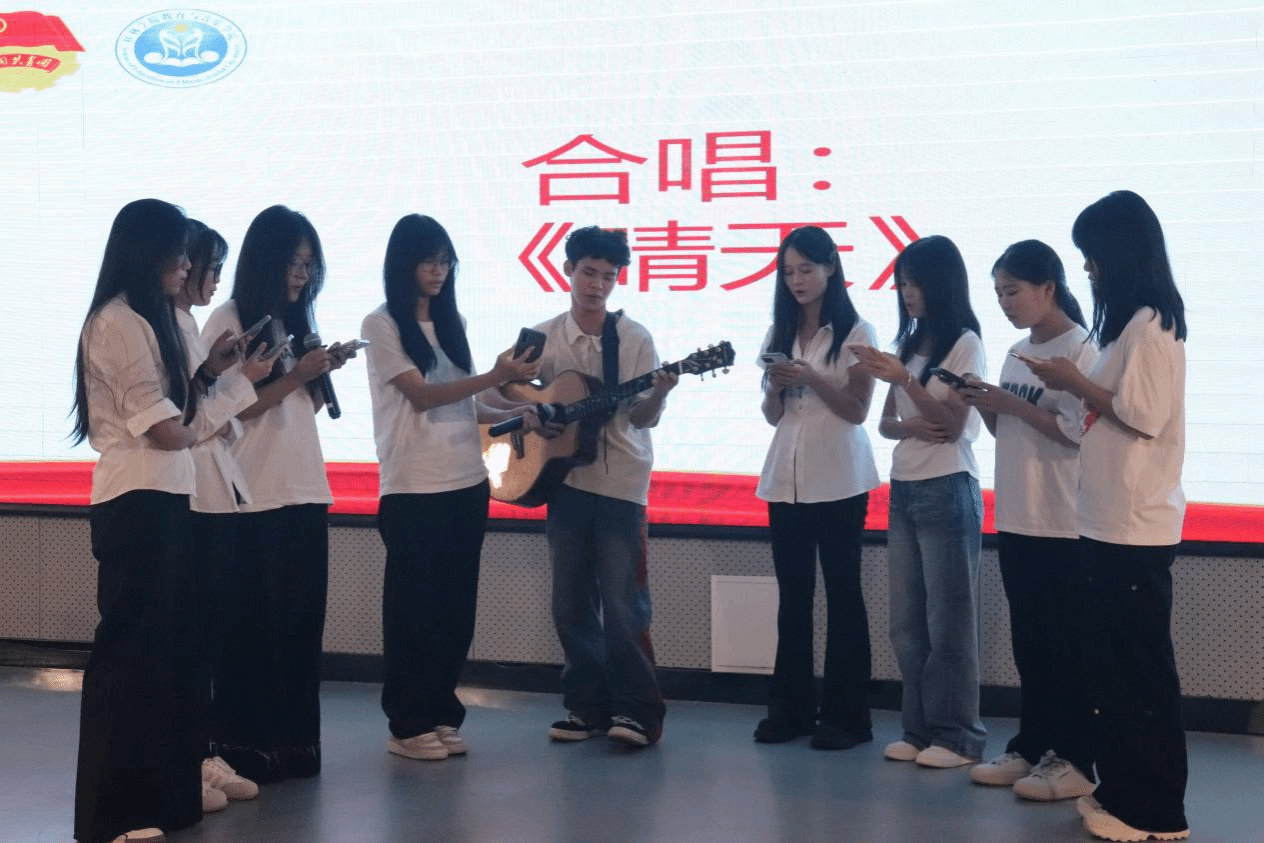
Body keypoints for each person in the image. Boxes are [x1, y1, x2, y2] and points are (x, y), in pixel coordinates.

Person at [1021, 191, 1189, 841]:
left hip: (1133, 526)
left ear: (1120, 252)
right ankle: (1122, 793)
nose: (1087, 269)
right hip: (1106, 521)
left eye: (1091, 255)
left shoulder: (1150, 324)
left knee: (1140, 676)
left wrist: (1074, 382)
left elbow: (1141, 417)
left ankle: (1156, 814)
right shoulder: (1128, 325)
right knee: (1114, 674)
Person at [71, 199, 239, 843]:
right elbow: (166, 428)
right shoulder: (116, 321)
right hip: (135, 497)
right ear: (149, 254)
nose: (188, 267)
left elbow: (180, 418)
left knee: (165, 658)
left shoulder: (152, 319)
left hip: (167, 495)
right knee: (131, 657)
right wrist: (195, 422)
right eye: (180, 254)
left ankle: (164, 799)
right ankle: (115, 814)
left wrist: (206, 385)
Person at [362, 214, 541, 762]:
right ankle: (406, 724)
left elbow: (465, 404)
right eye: (428, 261)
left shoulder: (452, 320)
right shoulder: (381, 324)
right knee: (412, 612)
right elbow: (422, 396)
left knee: (454, 610)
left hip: (467, 481)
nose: (438, 272)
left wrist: (519, 410)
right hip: (413, 486)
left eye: (445, 262)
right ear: (404, 264)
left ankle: (440, 712)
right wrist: (496, 376)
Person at [202, 205, 355, 784]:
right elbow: (224, 412)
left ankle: (295, 747)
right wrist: (295, 376)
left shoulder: (292, 322)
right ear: (264, 261)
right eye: (292, 262)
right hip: (253, 495)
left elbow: (297, 408)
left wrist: (319, 370)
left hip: (303, 488)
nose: (300, 275)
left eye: (308, 264)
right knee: (253, 631)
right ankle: (247, 749)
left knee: (299, 626)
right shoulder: (230, 321)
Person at [958, 240, 1099, 800]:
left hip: (1062, 520)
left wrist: (1010, 403)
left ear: (1048, 288)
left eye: (1012, 291)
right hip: (1017, 514)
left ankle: (1074, 758)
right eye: (997, 293)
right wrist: (984, 402)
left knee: (1066, 646)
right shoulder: (1017, 350)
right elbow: (1007, 431)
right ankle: (1032, 745)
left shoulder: (1081, 349)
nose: (1004, 302)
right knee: (1031, 644)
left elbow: (1073, 431)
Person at [532, 226, 677, 748]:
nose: (597, 285)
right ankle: (586, 707)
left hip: (621, 481)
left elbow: (641, 417)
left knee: (622, 603)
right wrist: (536, 414)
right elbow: (506, 393)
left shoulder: (633, 338)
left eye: (609, 277)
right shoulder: (541, 336)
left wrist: (658, 395)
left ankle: (639, 711)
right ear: (567, 270)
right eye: (588, 273)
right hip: (563, 478)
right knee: (570, 602)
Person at [850, 234, 987, 769]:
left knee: (948, 621)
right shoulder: (909, 342)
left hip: (948, 486)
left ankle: (958, 737)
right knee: (907, 622)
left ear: (941, 283)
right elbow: (886, 423)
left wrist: (907, 380)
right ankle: (918, 729)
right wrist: (908, 417)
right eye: (901, 283)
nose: (906, 293)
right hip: (904, 487)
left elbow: (953, 426)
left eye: (915, 282)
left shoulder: (965, 343)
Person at [752, 226, 880, 750]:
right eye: (788, 271)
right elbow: (771, 415)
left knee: (843, 595)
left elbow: (857, 410)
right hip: (786, 478)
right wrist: (777, 387)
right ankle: (791, 712)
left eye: (806, 268)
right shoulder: (778, 331)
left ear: (830, 268)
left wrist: (813, 377)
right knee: (794, 599)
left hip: (840, 477)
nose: (797, 280)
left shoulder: (858, 332)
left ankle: (848, 718)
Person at [172, 220, 270, 809]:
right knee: (191, 638)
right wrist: (242, 383)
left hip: (217, 488)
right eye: (205, 267)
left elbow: (208, 417)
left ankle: (203, 753)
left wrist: (227, 379)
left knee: (209, 636)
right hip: (189, 495)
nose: (208, 279)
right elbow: (187, 421)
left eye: (212, 269)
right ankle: (188, 759)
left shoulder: (186, 325)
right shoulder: (163, 324)